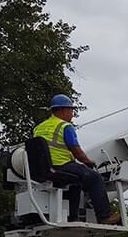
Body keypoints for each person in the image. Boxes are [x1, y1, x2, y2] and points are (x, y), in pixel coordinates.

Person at [33, 94, 120, 225]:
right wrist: (88, 162)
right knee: (95, 178)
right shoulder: (65, 127)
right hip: (60, 165)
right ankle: (105, 216)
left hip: (42, 170)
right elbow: (77, 151)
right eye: (71, 111)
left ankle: (72, 217)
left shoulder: (38, 128)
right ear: (62, 110)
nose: (72, 115)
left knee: (76, 182)